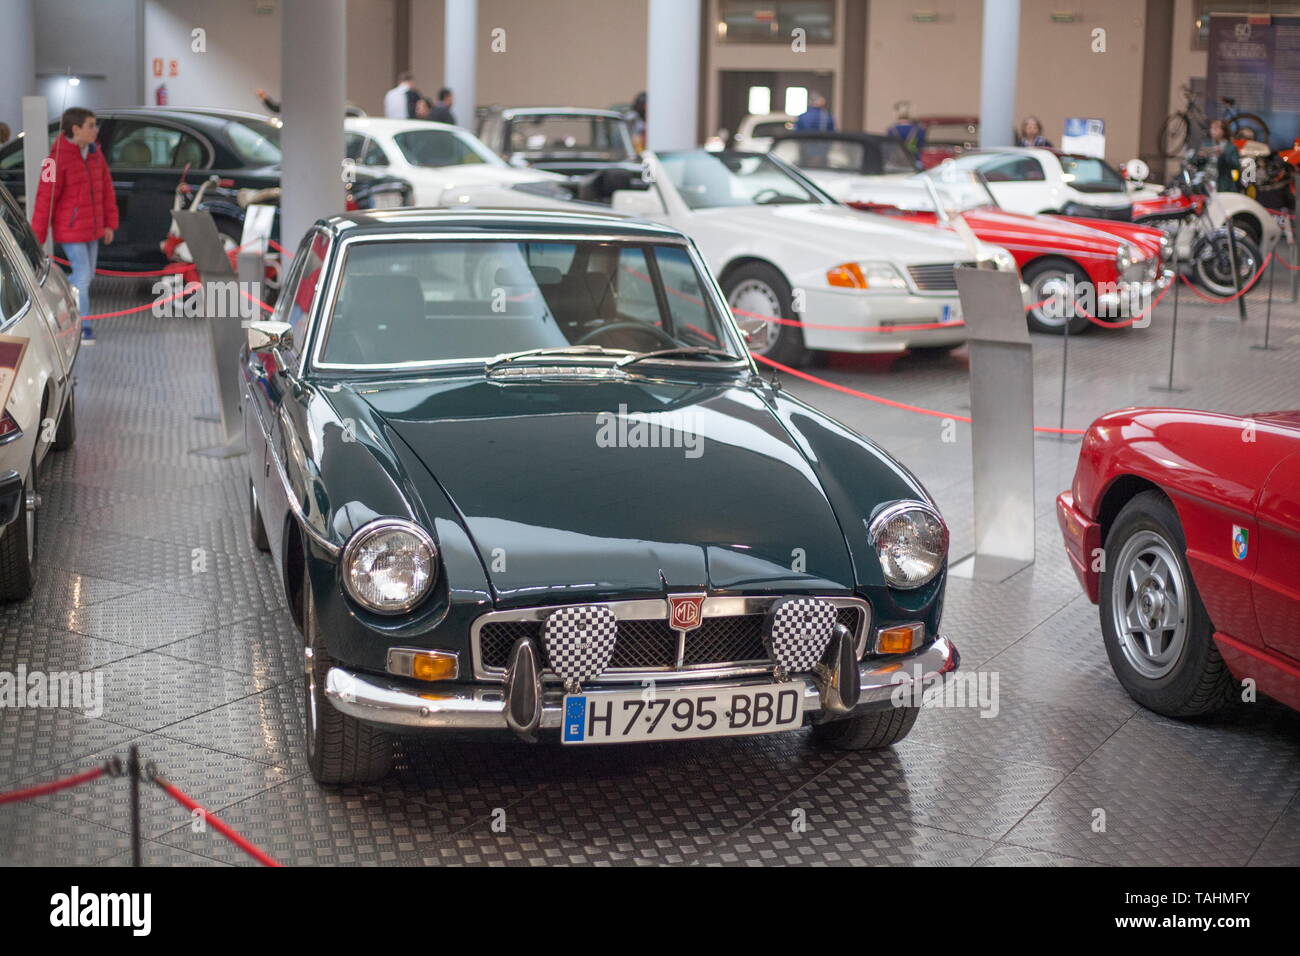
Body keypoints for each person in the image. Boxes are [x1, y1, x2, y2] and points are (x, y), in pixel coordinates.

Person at [31, 107, 117, 344]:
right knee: (82, 276)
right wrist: (36, 238)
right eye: (91, 125)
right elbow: (44, 199)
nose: (95, 130)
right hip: (70, 230)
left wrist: (110, 223)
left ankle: (62, 303)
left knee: (86, 277)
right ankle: (83, 326)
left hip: (93, 229)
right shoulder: (53, 159)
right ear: (76, 128)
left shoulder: (94, 154)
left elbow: (106, 189)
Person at [1205, 119, 1241, 193]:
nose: (1212, 131)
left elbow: (1236, 166)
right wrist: (1201, 157)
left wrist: (1223, 155)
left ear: (1223, 131)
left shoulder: (1230, 147)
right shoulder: (1207, 144)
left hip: (1224, 185)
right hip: (1207, 184)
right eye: (1211, 128)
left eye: (1216, 128)